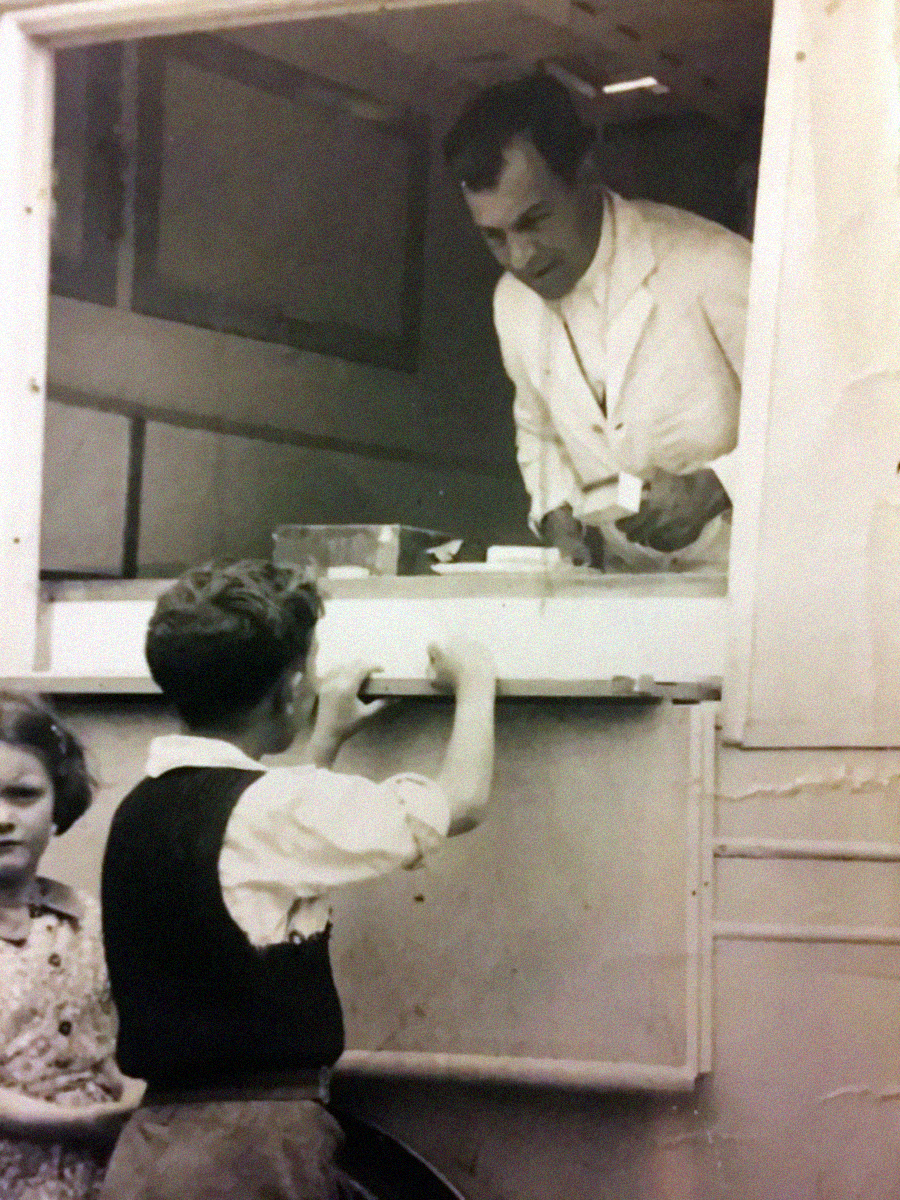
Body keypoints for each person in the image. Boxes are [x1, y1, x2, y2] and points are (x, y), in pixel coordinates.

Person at [99, 559, 496, 1200]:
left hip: (156, 1145)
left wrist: (326, 738)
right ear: (287, 690)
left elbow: (263, 848)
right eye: (307, 672)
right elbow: (462, 802)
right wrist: (476, 682)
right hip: (254, 1150)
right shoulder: (275, 812)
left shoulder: (145, 803)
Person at [444, 73, 752, 571]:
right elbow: (538, 429)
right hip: (620, 589)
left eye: (533, 221)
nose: (521, 258)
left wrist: (718, 487)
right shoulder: (512, 303)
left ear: (585, 174)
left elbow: (819, 415)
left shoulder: (712, 263)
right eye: (494, 237)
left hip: (747, 582)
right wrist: (554, 510)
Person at [0, 692, 141, 1200]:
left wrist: (130, 1103)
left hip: (97, 1176)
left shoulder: (89, 921)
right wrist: (81, 1121)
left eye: (23, 794)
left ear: (58, 801)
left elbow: (127, 1042)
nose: (3, 817)